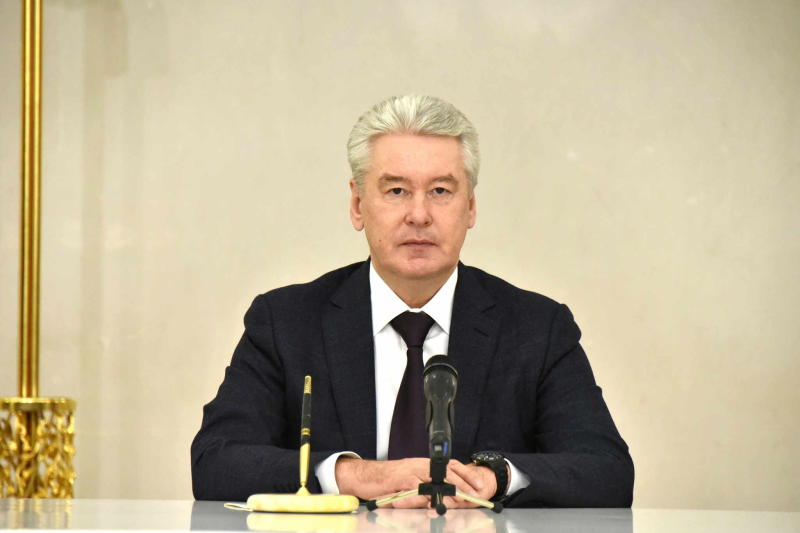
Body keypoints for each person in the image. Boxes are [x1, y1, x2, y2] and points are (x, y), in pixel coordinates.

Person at [191, 95, 634, 508]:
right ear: (358, 204)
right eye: (396, 191)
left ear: (470, 207)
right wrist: (354, 475)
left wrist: (496, 477)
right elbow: (215, 462)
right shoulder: (286, 322)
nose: (419, 215)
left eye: (440, 191)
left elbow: (608, 471)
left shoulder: (537, 328)